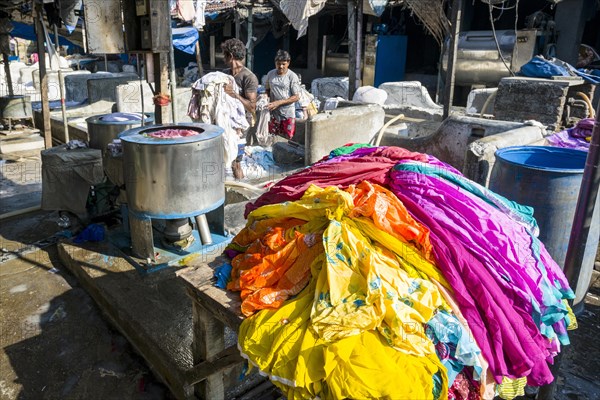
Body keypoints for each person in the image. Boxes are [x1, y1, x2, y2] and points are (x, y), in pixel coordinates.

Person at [221, 38, 259, 178]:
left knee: (236, 161)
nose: (223, 58)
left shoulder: (249, 77)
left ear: (230, 56)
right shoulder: (225, 74)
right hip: (226, 122)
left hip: (241, 126)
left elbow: (252, 106)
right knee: (226, 159)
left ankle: (241, 190)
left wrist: (234, 94)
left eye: (224, 55)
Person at [265, 50, 301, 139]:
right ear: (275, 63)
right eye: (278, 64)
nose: (280, 66)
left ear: (288, 63)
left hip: (287, 114)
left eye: (283, 64)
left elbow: (296, 97)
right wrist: (265, 99)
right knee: (273, 138)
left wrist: (278, 103)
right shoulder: (270, 74)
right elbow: (267, 90)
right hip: (274, 113)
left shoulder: (292, 76)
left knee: (287, 139)